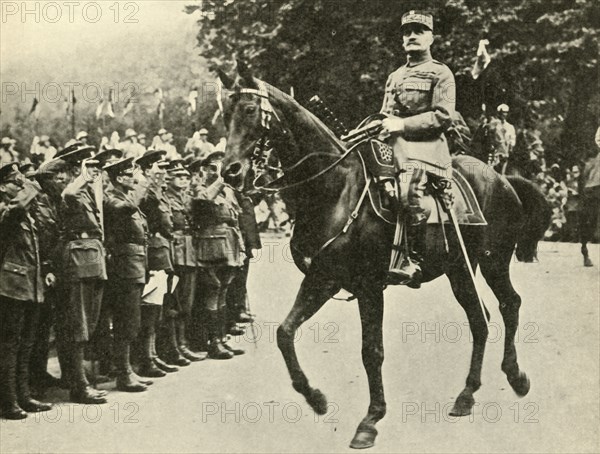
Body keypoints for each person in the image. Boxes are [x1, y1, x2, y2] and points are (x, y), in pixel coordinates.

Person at [379, 10, 456, 286]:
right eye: (407, 32)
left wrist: (401, 125)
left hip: (428, 147)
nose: (411, 36)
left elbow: (443, 116)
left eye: (419, 31)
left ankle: (413, 260)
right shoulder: (395, 76)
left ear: (431, 38)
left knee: (407, 186)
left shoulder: (441, 73)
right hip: (395, 144)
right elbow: (386, 114)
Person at [53, 142, 109, 404]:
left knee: (91, 322)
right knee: (78, 324)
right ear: (75, 169)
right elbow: (68, 194)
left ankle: (80, 379)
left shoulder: (88, 192)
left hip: (92, 259)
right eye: (88, 167)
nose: (94, 172)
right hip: (76, 259)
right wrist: (82, 177)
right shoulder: (70, 191)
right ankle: (79, 385)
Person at [0, 162, 53, 419]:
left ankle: (23, 395)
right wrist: (31, 184)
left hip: (30, 284)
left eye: (21, 181)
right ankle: (7, 400)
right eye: (14, 182)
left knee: (26, 343)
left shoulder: (25, 212)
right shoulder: (6, 209)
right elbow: (17, 207)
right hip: (10, 286)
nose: (21, 185)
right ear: (2, 186)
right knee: (9, 345)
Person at [103, 157, 152, 392]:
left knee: (132, 321)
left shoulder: (123, 196)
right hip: (123, 267)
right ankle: (123, 373)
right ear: (119, 177)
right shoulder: (111, 198)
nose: (135, 178)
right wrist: (144, 183)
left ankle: (127, 370)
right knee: (125, 321)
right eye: (130, 174)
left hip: (134, 265)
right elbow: (126, 209)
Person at [192, 152, 245, 359]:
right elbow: (202, 200)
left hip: (228, 242)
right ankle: (213, 342)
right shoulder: (200, 186)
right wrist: (221, 181)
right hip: (210, 243)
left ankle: (222, 339)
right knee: (213, 290)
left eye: (220, 167)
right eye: (213, 168)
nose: (217, 171)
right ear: (205, 170)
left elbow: (235, 217)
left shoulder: (227, 190)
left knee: (224, 290)